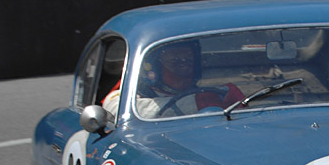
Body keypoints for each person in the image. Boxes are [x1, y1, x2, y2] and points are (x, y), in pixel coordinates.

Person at [103, 41, 244, 118]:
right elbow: (113, 107)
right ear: (155, 64)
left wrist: (233, 100)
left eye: (188, 59)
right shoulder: (135, 89)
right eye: (175, 60)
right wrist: (195, 102)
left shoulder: (213, 89)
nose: (183, 64)